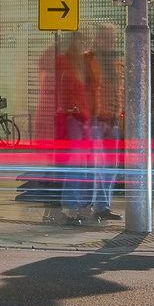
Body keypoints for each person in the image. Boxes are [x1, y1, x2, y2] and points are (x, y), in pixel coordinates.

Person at [54, 32, 91, 222]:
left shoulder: (79, 65)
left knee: (80, 166)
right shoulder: (67, 64)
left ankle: (74, 205)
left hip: (80, 120)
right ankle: (71, 207)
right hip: (74, 119)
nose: (84, 44)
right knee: (76, 166)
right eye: (81, 41)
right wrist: (74, 111)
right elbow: (66, 94)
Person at [88, 25, 123, 221]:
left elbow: (119, 90)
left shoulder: (116, 62)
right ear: (97, 37)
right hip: (96, 120)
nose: (110, 40)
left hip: (112, 120)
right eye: (106, 37)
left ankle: (102, 206)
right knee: (97, 165)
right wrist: (97, 116)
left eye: (112, 37)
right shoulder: (90, 60)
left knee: (110, 165)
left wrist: (117, 115)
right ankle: (94, 206)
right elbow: (91, 91)